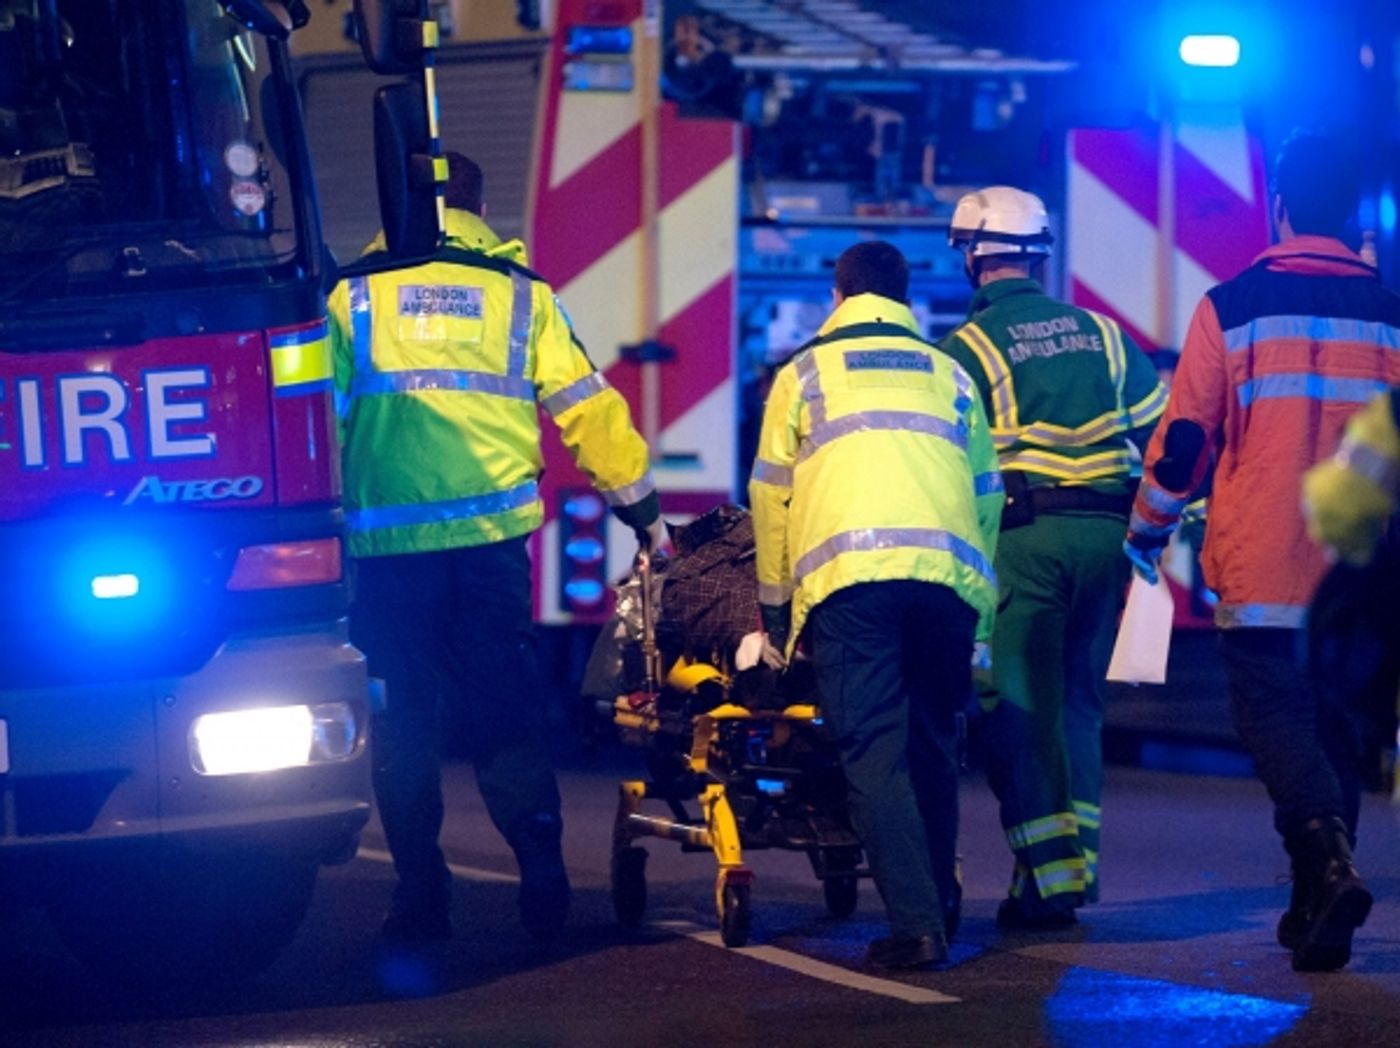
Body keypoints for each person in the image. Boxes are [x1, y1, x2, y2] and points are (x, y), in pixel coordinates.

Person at [328, 153, 663, 944]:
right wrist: (642, 510)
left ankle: (419, 896)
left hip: (386, 560)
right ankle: (542, 880)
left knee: (403, 723)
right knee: (503, 713)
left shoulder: (352, 298)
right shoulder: (520, 298)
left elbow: (318, 417)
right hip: (488, 553)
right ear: (479, 206)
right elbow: (586, 407)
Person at [1125, 130, 1400, 972]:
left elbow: (1182, 443)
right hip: (1362, 577)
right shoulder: (1393, 312)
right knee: (1339, 731)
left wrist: (1149, 529)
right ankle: (1317, 910)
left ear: (1278, 207)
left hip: (1266, 565)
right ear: (1354, 214)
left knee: (1275, 720)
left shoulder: (1232, 306)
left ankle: (1325, 862)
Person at [749, 240, 1004, 969]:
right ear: (904, 300)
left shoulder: (803, 375)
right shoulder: (950, 374)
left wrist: (775, 611)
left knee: (873, 755)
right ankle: (942, 904)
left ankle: (917, 924)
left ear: (838, 296)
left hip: (852, 585)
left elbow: (771, 497)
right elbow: (988, 497)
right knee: (931, 742)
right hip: (947, 585)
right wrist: (979, 617)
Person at [936, 186, 1167, 932]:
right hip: (1110, 541)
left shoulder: (964, 351)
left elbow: (945, 468)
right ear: (1039, 253)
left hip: (1025, 546)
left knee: (1021, 711)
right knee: (1080, 708)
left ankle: (1052, 881)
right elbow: (1165, 435)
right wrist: (1159, 533)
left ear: (974, 256)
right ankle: (1070, 871)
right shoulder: (1102, 333)